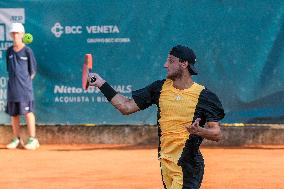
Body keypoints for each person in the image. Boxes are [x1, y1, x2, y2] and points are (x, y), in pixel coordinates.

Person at [89, 45, 225, 189]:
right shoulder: (159, 88)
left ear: (184, 64)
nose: (165, 65)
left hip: (187, 165)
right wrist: (100, 83)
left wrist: (200, 131)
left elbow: (216, 134)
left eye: (171, 61)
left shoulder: (205, 96)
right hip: (165, 162)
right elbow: (126, 106)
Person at [5, 23, 39, 150]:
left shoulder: (28, 51)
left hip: (25, 90)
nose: (15, 35)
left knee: (28, 113)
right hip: (12, 89)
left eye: (17, 33)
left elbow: (33, 71)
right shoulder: (8, 51)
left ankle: (33, 139)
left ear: (22, 35)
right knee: (14, 115)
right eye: (13, 33)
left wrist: (24, 84)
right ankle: (17, 139)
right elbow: (10, 69)